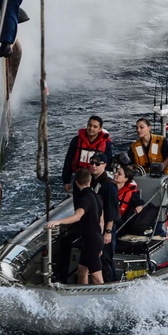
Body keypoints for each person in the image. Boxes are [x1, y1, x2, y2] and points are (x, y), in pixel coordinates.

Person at [45, 168, 104, 285]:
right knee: (82, 271)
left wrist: (58, 221)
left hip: (91, 242)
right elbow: (102, 221)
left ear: (76, 182)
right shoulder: (98, 197)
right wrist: (100, 242)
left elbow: (77, 216)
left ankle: (107, 300)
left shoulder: (84, 199)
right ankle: (82, 296)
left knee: (97, 277)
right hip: (94, 239)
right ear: (90, 180)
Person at [88, 153, 120, 281]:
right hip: (95, 225)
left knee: (106, 258)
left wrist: (108, 231)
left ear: (104, 165)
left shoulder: (109, 185)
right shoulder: (92, 181)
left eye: (97, 164)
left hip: (106, 226)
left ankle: (110, 282)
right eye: (92, 163)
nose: (94, 166)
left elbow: (112, 210)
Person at [61, 116, 112, 193]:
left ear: (100, 129)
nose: (91, 128)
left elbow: (108, 163)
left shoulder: (106, 144)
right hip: (79, 178)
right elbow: (68, 161)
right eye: (90, 125)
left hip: (96, 180)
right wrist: (66, 181)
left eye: (95, 126)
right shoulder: (76, 140)